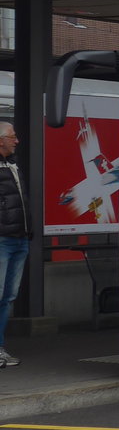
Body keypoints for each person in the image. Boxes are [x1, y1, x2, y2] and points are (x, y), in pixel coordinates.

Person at [0, 121, 29, 369]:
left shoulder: (13, 163)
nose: (16, 140)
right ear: (0, 140)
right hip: (2, 239)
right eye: (12, 136)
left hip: (19, 237)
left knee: (8, 297)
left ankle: (0, 347)